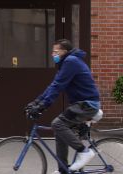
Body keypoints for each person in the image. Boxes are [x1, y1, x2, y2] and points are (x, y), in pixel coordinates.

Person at [25, 39, 101, 174]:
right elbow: (52, 86)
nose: (52, 54)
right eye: (52, 51)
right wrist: (36, 102)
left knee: (57, 124)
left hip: (87, 105)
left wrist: (42, 106)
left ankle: (84, 152)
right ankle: (63, 169)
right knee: (60, 132)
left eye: (55, 51)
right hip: (80, 105)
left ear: (64, 52)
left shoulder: (70, 61)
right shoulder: (65, 63)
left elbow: (58, 87)